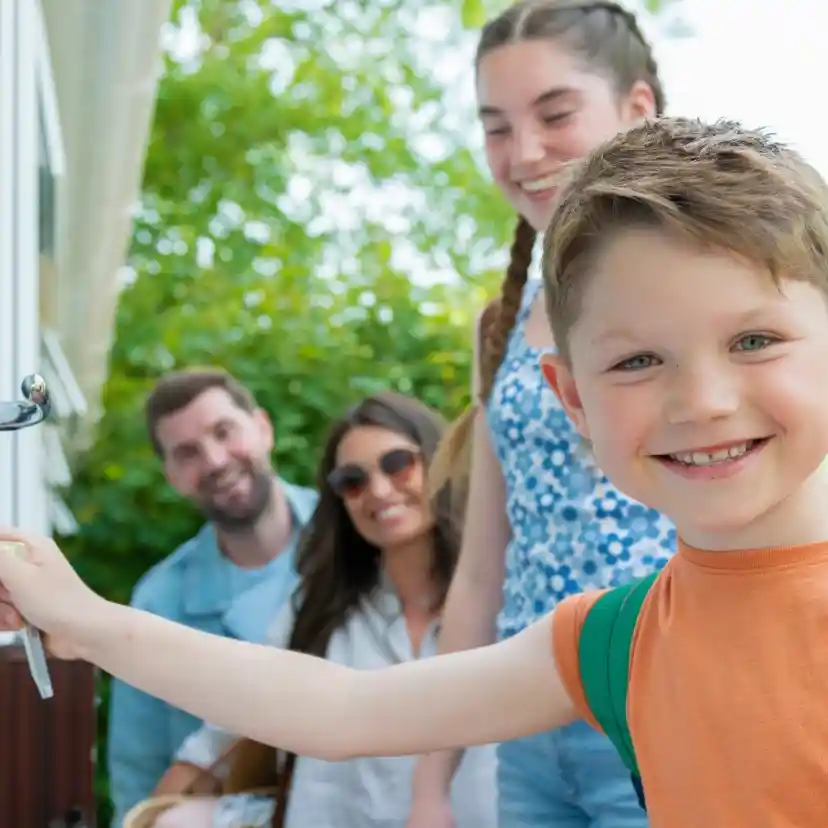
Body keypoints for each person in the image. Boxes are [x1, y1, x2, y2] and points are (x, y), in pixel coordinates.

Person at [3, 116, 828, 828]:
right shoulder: (614, 640)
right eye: (639, 360)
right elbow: (343, 709)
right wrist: (85, 621)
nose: (704, 401)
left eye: (754, 340)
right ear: (570, 398)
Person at [411, 2, 674, 826]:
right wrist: (431, 783)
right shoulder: (501, 323)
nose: (524, 153)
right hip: (528, 725)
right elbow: (482, 570)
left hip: (667, 707)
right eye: (496, 126)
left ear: (637, 109)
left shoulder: (705, 281)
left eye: (556, 114)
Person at [146, 391, 496, 828]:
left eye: (397, 464)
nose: (379, 490)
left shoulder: (504, 599)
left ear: (438, 459)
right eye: (353, 480)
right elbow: (230, 720)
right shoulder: (318, 609)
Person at [108, 369, 317, 824]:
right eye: (188, 453)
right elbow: (139, 782)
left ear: (263, 428)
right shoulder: (157, 605)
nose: (216, 460)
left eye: (224, 432)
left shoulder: (352, 539)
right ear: (172, 476)